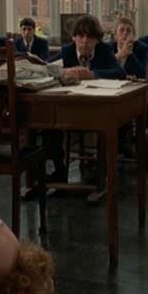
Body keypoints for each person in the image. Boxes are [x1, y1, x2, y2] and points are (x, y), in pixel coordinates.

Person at [45, 15, 125, 182]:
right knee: (48, 123)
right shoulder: (67, 51)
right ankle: (59, 169)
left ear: (97, 40)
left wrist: (92, 74)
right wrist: (62, 73)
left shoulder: (104, 50)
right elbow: (46, 68)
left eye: (90, 37)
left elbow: (120, 72)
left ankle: (99, 169)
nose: (85, 41)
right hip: (69, 106)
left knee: (108, 124)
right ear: (74, 37)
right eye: (81, 36)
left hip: (96, 108)